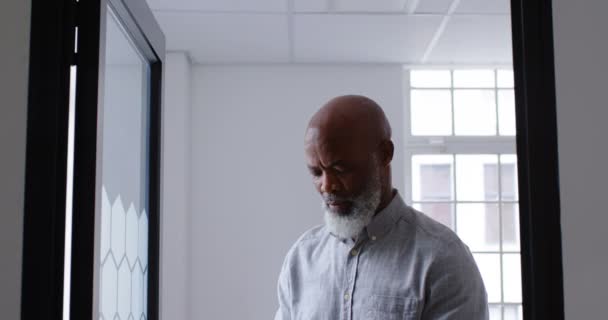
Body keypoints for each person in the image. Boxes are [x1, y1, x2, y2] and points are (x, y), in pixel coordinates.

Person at [274, 95, 489, 320]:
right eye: (317, 173)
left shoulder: (442, 258)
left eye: (341, 169)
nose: (328, 186)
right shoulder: (301, 259)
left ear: (385, 154)